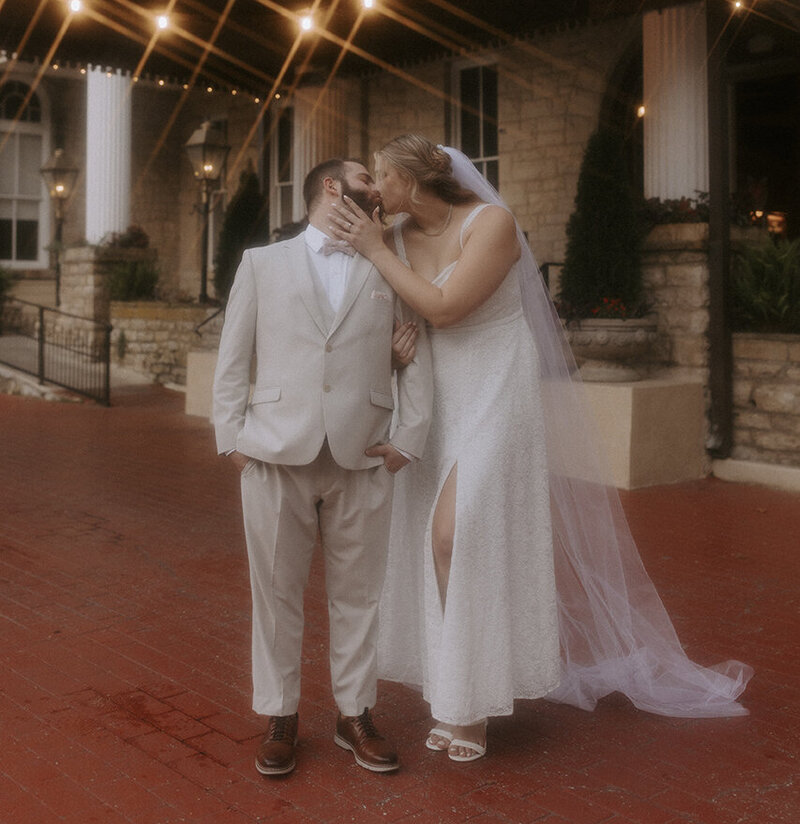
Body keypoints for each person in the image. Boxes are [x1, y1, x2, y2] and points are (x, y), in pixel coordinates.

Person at [328, 135, 751, 763]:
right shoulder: (394, 238)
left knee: (457, 532)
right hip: (434, 396)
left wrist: (372, 249)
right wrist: (390, 344)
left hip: (496, 386)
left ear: (412, 180)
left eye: (381, 177)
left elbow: (445, 308)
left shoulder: (491, 224)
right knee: (430, 539)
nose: (374, 191)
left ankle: (472, 705)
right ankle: (457, 694)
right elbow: (390, 315)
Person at [212, 157, 432, 777]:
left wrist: (408, 437)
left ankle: (355, 714)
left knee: (359, 596)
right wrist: (231, 436)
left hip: (363, 453)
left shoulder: (390, 266)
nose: (378, 189)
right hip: (274, 451)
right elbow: (234, 353)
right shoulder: (262, 263)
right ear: (332, 187)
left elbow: (415, 354)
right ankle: (281, 714)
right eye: (367, 178)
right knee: (276, 593)